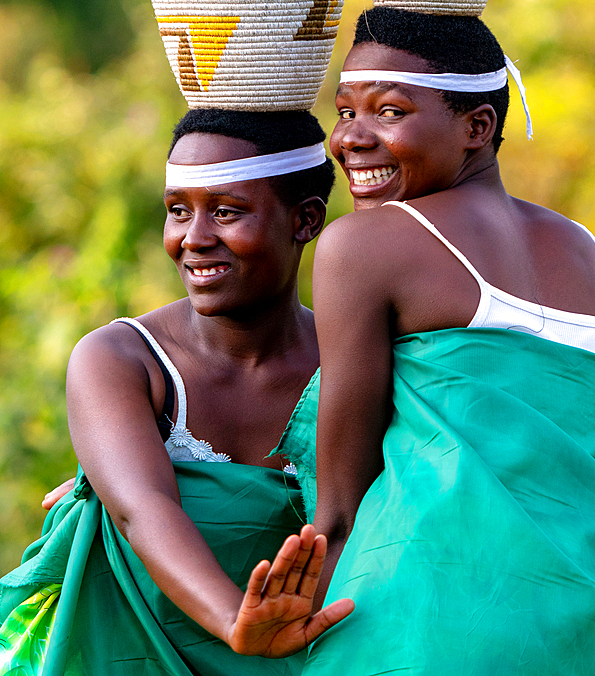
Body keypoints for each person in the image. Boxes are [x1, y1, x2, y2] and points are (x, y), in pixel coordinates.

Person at [275, 8, 595, 676]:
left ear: (477, 127)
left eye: (388, 112)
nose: (349, 140)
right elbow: (543, 461)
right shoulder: (582, 249)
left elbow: (337, 508)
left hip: (416, 625)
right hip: (585, 631)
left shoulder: (364, 244)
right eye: (343, 112)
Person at [0, 108, 353, 676]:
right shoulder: (122, 360)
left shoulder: (354, 363)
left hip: (317, 657)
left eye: (228, 212)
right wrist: (236, 620)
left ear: (306, 220)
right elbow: (143, 509)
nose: (194, 238)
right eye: (178, 211)